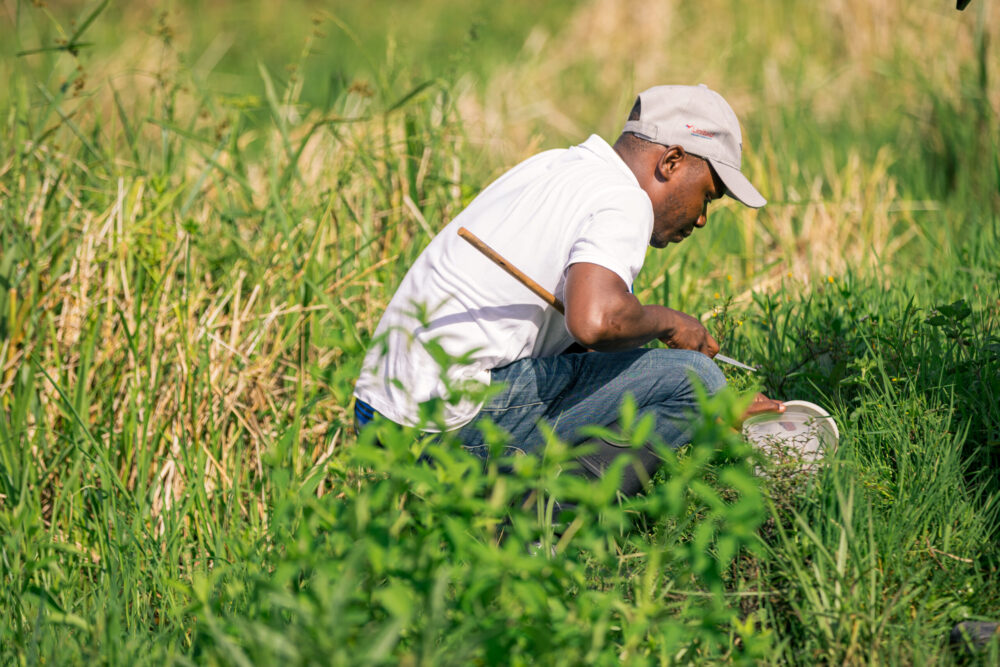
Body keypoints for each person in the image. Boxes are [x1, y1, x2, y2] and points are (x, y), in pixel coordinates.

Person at [353, 84, 784, 495]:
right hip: (442, 423)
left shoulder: (556, 166)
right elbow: (596, 322)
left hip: (378, 414)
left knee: (684, 384)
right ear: (671, 161)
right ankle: (542, 533)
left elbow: (579, 345)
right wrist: (671, 324)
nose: (703, 217)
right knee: (697, 379)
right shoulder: (623, 199)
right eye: (707, 196)